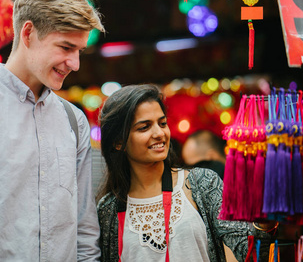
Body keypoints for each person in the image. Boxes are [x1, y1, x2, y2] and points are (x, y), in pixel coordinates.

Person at [0, 0, 104, 261]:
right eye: (66, 47)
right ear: (29, 33)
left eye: (79, 51)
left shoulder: (75, 121)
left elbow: (84, 228)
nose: (75, 63)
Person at [96, 84, 276, 262]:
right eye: (144, 127)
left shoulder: (202, 183)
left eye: (162, 123)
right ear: (118, 142)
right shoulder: (108, 209)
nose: (159, 133)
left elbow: (250, 253)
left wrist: (264, 222)